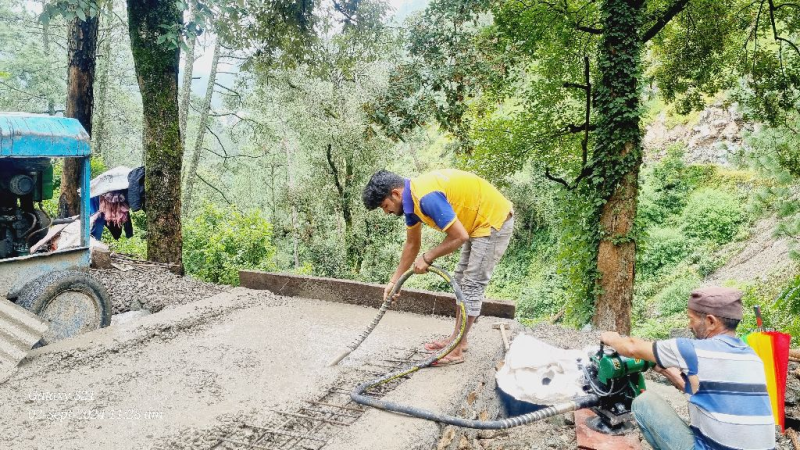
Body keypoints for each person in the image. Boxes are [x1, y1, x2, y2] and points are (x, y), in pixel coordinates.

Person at [362, 169, 514, 366]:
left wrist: (428, 257)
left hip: (492, 220)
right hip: (475, 222)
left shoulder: (426, 198)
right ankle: (459, 340)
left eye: (385, 206)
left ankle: (456, 350)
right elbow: (412, 244)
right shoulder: (411, 203)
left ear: (396, 194)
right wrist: (394, 281)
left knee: (472, 285)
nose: (386, 212)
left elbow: (459, 236)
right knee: (460, 281)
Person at [600, 287, 775, 450]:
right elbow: (705, 392)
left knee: (643, 402)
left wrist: (610, 337)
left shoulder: (693, 349)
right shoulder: (752, 356)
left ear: (711, 321)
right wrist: (667, 371)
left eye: (692, 319)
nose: (689, 326)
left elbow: (631, 347)